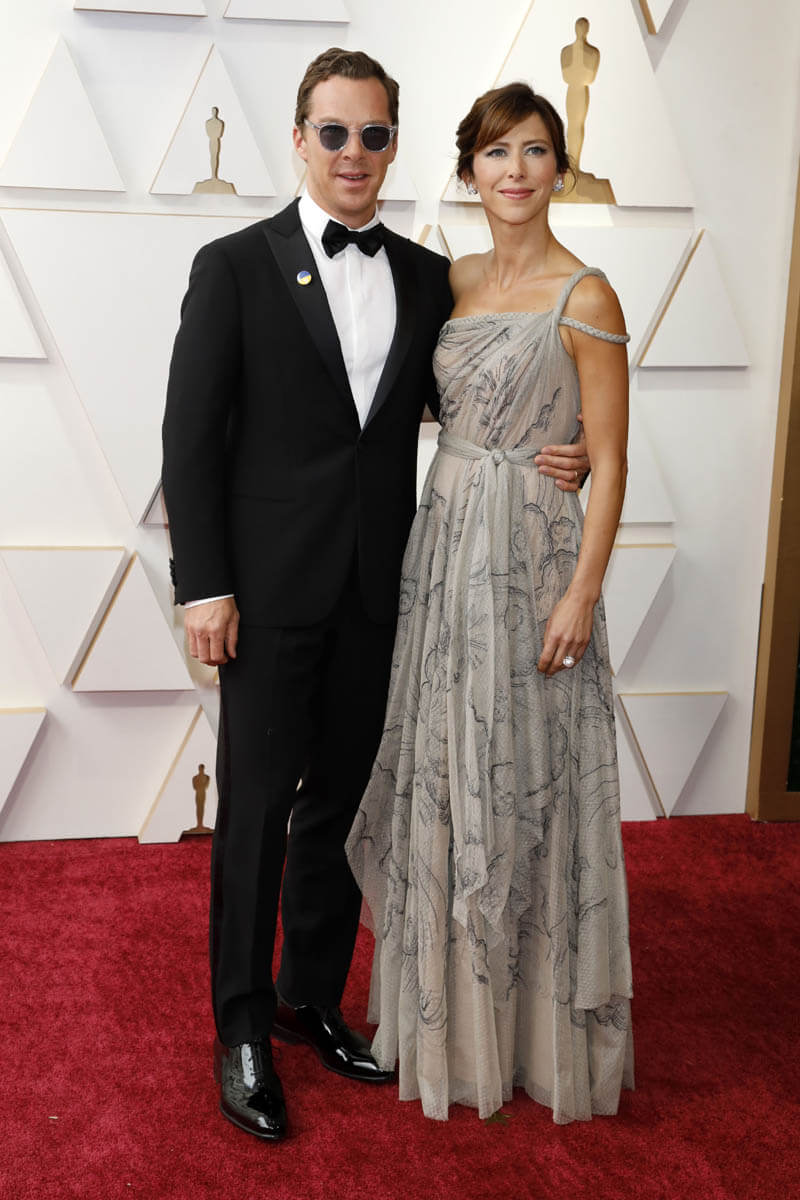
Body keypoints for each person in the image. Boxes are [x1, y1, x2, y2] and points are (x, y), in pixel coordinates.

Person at [162, 51, 590, 1143]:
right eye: (334, 133)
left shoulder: (428, 277)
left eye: (375, 134)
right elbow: (190, 440)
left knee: (345, 806)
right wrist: (204, 586)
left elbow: (489, 389)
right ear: (299, 140)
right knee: (254, 813)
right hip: (263, 595)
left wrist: (573, 446)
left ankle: (308, 998)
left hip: (386, 589)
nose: (354, 154)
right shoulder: (233, 267)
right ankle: (241, 1029)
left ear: (394, 144)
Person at [346, 81, 634, 1125]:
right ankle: (450, 1027)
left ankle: (529, 1037)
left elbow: (610, 462)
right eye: (496, 152)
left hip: (535, 558)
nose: (515, 170)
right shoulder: (450, 281)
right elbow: (421, 402)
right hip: (444, 547)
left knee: (525, 780)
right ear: (468, 170)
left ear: (559, 169)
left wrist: (581, 593)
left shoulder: (587, 295)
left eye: (535, 151)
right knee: (449, 769)